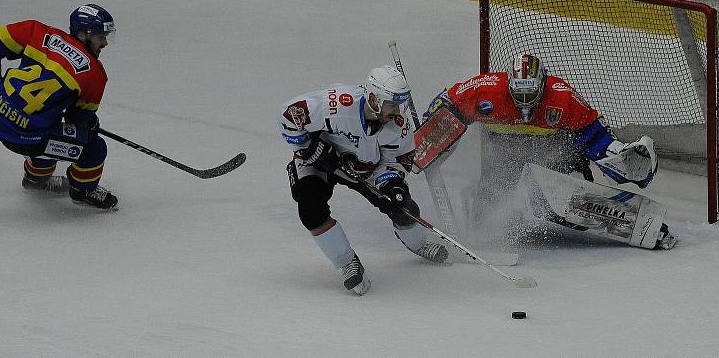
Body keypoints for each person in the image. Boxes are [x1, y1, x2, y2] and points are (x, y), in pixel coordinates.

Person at [418, 53, 675, 249]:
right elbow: (447, 102)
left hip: (555, 152)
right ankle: (477, 205)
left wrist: (615, 152)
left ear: (543, 84)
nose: (525, 104)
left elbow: (592, 133)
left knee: (562, 202)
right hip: (505, 152)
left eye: (531, 94)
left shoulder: (562, 97)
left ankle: (617, 215)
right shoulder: (485, 91)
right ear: (508, 85)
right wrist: (431, 130)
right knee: (487, 209)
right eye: (519, 94)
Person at [278, 66, 448, 295]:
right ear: (373, 99)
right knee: (310, 209)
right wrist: (311, 147)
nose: (397, 111)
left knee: (402, 207)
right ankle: (347, 262)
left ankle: (418, 243)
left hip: (365, 168)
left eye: (399, 104)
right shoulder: (335, 105)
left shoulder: (399, 126)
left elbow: (396, 162)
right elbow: (288, 115)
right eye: (392, 104)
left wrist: (392, 184)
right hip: (317, 162)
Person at [0, 4, 118, 210]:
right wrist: (90, 125)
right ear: (83, 34)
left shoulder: (38, 31)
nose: (105, 43)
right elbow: (78, 120)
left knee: (49, 125)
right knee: (94, 147)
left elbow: (2, 37)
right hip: (28, 138)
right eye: (101, 37)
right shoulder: (95, 74)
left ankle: (36, 181)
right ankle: (83, 190)